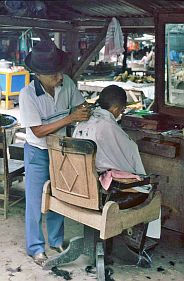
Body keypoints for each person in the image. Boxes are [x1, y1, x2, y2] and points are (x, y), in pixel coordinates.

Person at [19, 40, 91, 266]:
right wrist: (70, 118)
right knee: (35, 201)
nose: (59, 77)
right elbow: (38, 131)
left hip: (60, 150)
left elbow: (80, 106)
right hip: (37, 152)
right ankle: (35, 248)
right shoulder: (27, 95)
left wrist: (84, 111)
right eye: (53, 75)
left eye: (59, 72)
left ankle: (56, 240)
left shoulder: (67, 83)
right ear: (39, 74)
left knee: (59, 196)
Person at [73, 85, 161, 240]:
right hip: (98, 192)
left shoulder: (83, 121)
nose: (121, 112)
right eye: (121, 109)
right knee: (149, 188)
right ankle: (141, 238)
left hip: (77, 185)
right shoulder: (108, 127)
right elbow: (127, 158)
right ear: (114, 107)